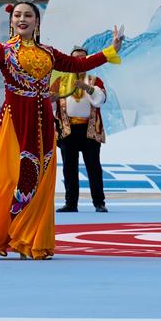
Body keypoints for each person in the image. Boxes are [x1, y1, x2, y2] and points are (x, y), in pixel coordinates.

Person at [0, 1, 123, 259]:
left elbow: (77, 65)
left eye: (28, 15)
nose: (22, 19)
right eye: (18, 15)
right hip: (16, 120)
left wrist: (110, 50)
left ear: (36, 22)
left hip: (43, 122)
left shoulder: (49, 53)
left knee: (40, 180)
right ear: (11, 21)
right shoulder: (4, 51)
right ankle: (6, 234)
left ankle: (28, 240)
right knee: (12, 179)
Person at [53, 46, 110, 213]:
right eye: (76, 58)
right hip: (68, 130)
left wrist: (87, 88)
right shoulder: (60, 81)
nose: (79, 61)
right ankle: (71, 203)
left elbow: (101, 99)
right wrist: (50, 98)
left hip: (89, 130)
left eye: (82, 58)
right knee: (69, 168)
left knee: (94, 167)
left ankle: (99, 202)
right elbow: (49, 102)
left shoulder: (94, 80)